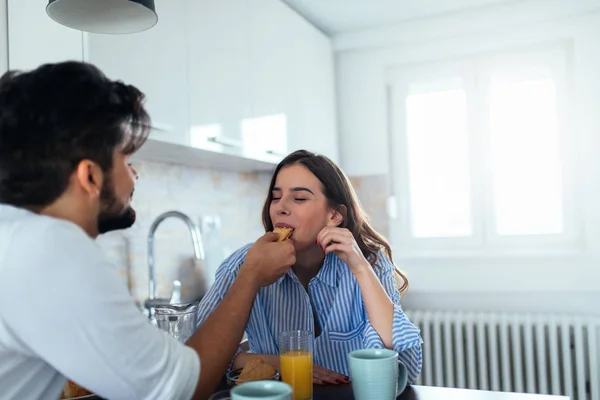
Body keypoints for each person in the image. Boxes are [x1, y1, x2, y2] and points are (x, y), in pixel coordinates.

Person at [0, 61, 295, 400]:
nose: (133, 176)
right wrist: (251, 276)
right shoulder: (49, 249)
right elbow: (178, 389)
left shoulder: (17, 236)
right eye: (126, 160)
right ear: (90, 177)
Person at [196, 150, 423, 385]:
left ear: (334, 215)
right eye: (276, 197)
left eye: (299, 198)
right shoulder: (241, 266)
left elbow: (407, 364)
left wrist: (360, 268)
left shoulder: (370, 261)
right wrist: (280, 362)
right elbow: (195, 357)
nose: (280, 208)